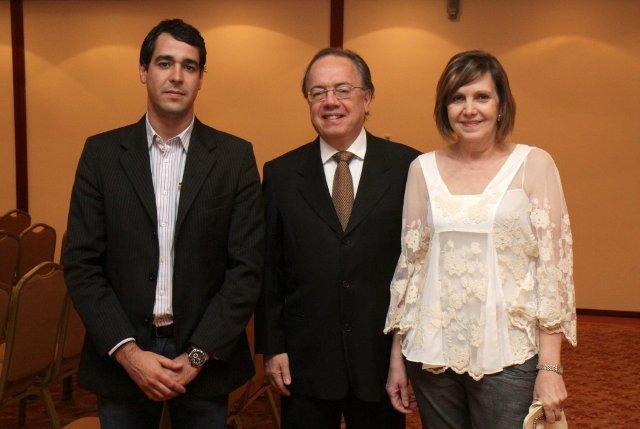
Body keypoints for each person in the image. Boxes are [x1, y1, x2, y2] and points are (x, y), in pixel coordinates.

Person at [63, 19, 264, 429]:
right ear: (143, 71)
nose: (176, 76)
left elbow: (246, 269)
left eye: (189, 66)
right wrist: (129, 354)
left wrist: (196, 357)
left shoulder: (235, 158)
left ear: (201, 78)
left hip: (205, 360)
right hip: (122, 358)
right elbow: (81, 264)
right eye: (164, 63)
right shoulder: (101, 155)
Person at [384, 50, 577, 428]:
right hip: (432, 354)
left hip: (508, 354)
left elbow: (553, 272)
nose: (469, 109)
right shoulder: (422, 169)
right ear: (445, 108)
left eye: (482, 97)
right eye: (458, 98)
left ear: (501, 105)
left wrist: (551, 367)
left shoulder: (534, 164)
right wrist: (397, 357)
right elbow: (411, 269)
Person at [254, 48, 420, 428]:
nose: (330, 102)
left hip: (382, 361)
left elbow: (419, 270)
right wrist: (272, 347)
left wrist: (409, 355)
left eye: (343, 90)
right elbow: (270, 270)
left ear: (367, 98)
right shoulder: (281, 174)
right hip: (304, 363)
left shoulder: (408, 167)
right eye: (318, 92)